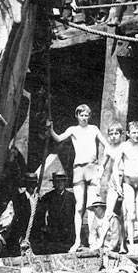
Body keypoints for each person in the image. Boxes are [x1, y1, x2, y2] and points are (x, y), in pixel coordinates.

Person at [46, 104, 109, 252]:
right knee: (79, 206)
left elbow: (107, 146)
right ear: (77, 116)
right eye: (82, 115)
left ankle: (93, 241)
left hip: (92, 167)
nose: (84, 118)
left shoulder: (94, 129)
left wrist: (102, 166)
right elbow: (58, 138)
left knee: (92, 206)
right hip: (79, 169)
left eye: (87, 115)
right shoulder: (73, 130)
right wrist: (50, 129)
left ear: (89, 116)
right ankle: (77, 241)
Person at [119, 121, 138, 253]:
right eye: (134, 133)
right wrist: (117, 183)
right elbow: (116, 166)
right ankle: (131, 246)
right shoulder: (123, 146)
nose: (137, 135)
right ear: (128, 133)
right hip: (128, 181)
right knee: (130, 214)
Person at [98, 122, 125, 248]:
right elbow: (103, 164)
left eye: (116, 133)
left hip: (126, 179)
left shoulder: (125, 146)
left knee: (125, 214)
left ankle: (123, 244)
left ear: (121, 134)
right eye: (111, 134)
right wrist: (98, 179)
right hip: (114, 181)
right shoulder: (109, 148)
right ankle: (100, 242)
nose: (114, 136)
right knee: (108, 212)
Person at [37, 171, 76, 252]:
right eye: (57, 181)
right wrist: (44, 226)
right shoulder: (48, 197)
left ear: (65, 182)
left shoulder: (72, 197)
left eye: (62, 181)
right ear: (53, 183)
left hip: (68, 232)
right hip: (53, 232)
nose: (59, 183)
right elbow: (40, 214)